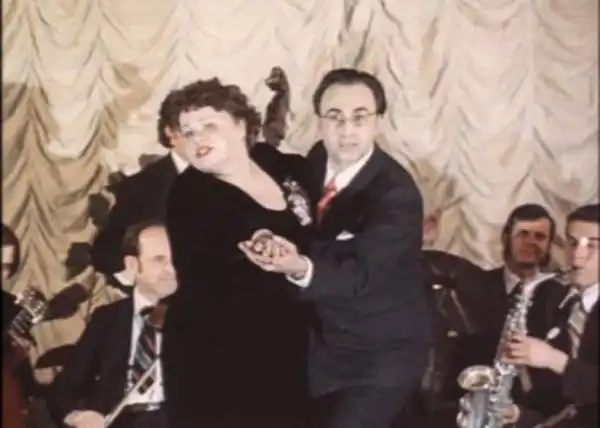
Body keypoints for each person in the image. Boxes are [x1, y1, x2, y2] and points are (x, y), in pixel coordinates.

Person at [240, 68, 431, 428]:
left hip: (380, 355)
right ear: (320, 122)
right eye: (335, 117)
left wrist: (298, 267)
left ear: (377, 123)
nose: (347, 131)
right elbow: (293, 214)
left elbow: (360, 274)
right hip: (322, 349)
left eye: (360, 118)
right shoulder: (317, 160)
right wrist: (266, 236)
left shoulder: (396, 195)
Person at [162, 77, 312, 427]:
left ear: (241, 125)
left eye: (209, 126)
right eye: (188, 131)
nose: (197, 139)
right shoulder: (189, 193)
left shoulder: (273, 162)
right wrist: (262, 240)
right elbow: (235, 232)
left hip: (285, 338)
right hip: (216, 351)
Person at [48, 220, 177, 428]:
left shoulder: (200, 317)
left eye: (175, 259)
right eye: (159, 260)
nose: (171, 269)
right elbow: (64, 388)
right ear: (132, 265)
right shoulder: (107, 319)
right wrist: (77, 416)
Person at [502, 203, 599, 428]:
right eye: (572, 243)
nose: (577, 257)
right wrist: (518, 414)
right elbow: (557, 398)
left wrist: (554, 360)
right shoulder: (557, 302)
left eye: (592, 245)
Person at [91, 87, 190, 281]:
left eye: (210, 128)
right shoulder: (140, 187)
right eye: (191, 130)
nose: (203, 138)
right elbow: (106, 255)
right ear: (170, 132)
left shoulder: (235, 175)